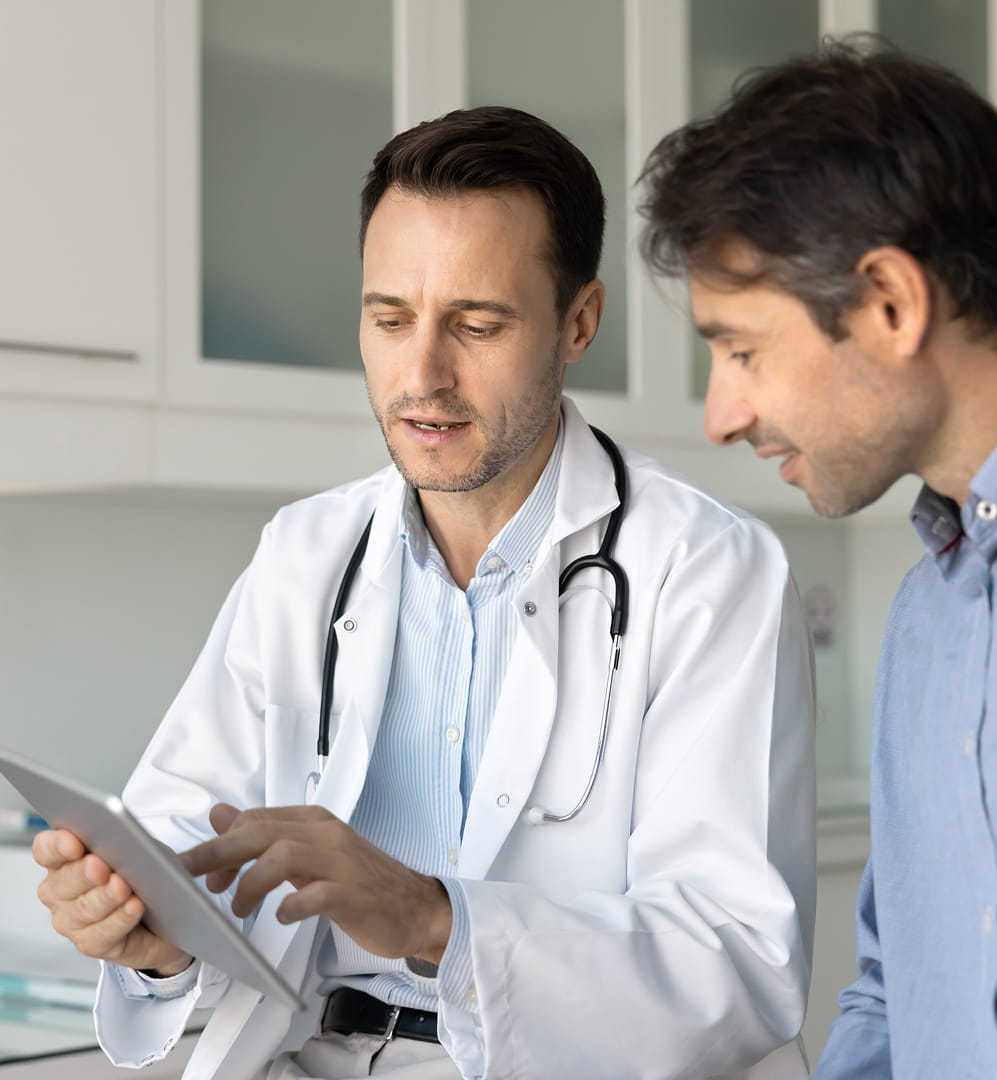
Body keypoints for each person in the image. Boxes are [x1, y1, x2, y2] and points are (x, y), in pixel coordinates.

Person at [32, 106, 816, 1079]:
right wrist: (149, 938)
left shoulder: (704, 570)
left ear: (580, 323)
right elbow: (188, 838)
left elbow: (740, 964)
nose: (422, 374)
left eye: (477, 324)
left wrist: (434, 917)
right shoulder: (307, 552)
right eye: (389, 319)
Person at [637, 38, 997, 1080]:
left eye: (742, 349)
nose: (720, 414)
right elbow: (894, 990)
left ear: (889, 302)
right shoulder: (931, 621)